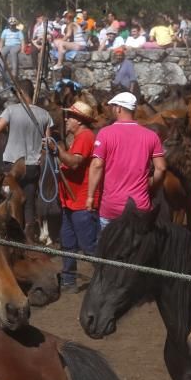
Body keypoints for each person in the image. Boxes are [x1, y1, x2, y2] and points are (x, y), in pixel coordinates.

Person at [0, 79, 53, 239]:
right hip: (33, 166)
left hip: (13, 166)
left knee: (8, 199)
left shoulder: (11, 111)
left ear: (21, 93)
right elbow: (48, 143)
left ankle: (8, 234)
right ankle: (28, 234)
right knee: (29, 202)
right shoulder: (44, 114)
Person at [86, 91, 166, 230]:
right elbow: (161, 168)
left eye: (113, 107)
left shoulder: (105, 133)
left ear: (118, 108)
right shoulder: (151, 136)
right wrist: (152, 185)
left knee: (109, 250)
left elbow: (97, 165)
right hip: (140, 207)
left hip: (111, 208)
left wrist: (90, 196)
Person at [56, 100, 101, 292]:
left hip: (81, 201)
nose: (67, 120)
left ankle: (104, 279)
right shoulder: (79, 137)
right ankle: (68, 280)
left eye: (71, 117)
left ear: (80, 121)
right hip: (70, 200)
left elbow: (74, 162)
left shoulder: (85, 137)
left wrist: (56, 150)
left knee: (88, 246)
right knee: (67, 242)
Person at [0, 17, 24, 82]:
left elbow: (22, 41)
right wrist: (0, 48)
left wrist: (22, 49)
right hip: (7, 45)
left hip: (16, 45)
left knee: (13, 52)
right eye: (11, 25)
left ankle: (14, 73)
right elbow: (2, 40)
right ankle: (2, 71)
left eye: (13, 25)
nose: (12, 26)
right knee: (2, 53)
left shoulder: (18, 31)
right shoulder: (5, 31)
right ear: (9, 25)